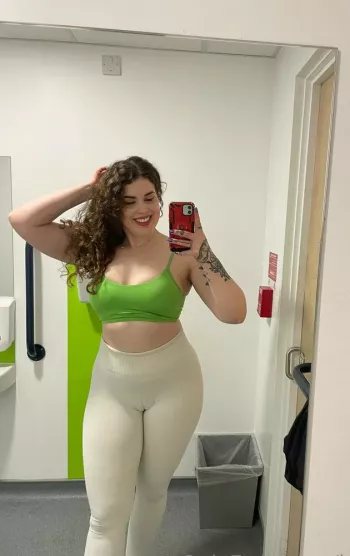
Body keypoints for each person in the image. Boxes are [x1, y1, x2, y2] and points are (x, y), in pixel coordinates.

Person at [8, 155, 247, 556]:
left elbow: (233, 312)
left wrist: (202, 248)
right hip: (112, 387)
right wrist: (89, 189)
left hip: (175, 383)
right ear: (112, 205)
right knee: (105, 514)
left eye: (149, 198)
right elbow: (22, 221)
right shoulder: (93, 248)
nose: (142, 209)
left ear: (160, 199)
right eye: (128, 200)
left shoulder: (182, 252)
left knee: (151, 491)